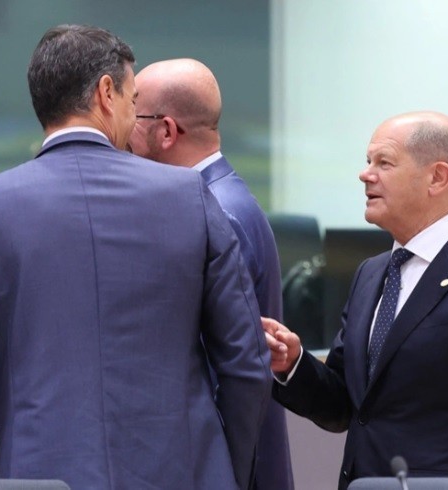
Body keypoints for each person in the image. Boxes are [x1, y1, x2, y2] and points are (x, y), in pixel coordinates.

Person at [0, 24, 271, 490]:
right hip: (185, 472)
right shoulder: (190, 196)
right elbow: (245, 363)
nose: (133, 114)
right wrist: (224, 472)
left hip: (40, 475)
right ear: (106, 93)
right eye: (132, 98)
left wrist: (17, 346)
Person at [263, 111, 448, 488]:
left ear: (437, 177)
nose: (365, 175)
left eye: (384, 162)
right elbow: (345, 405)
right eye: (368, 161)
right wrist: (293, 362)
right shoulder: (371, 273)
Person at [128, 58, 293, 490]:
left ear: (166, 131)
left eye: (132, 115)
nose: (121, 133)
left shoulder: (213, 214)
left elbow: (230, 374)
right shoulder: (221, 200)